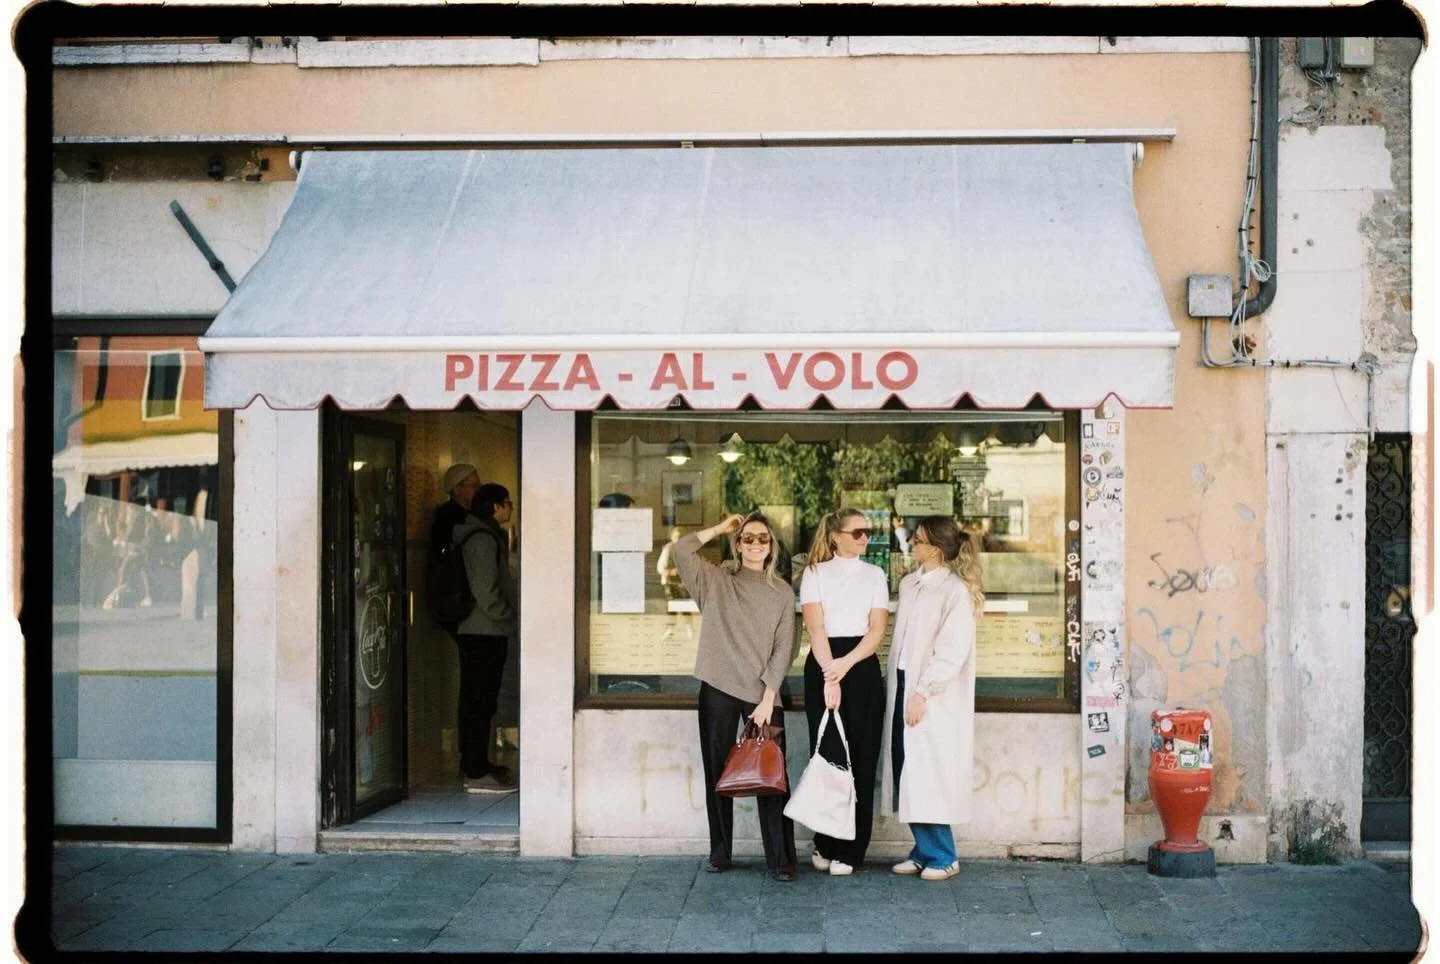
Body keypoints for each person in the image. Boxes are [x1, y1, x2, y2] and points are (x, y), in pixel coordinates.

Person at [672, 511, 800, 881]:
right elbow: (681, 550)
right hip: (718, 686)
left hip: (763, 694)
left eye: (763, 539)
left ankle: (780, 859)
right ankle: (721, 852)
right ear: (737, 543)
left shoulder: (780, 592)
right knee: (717, 773)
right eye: (748, 538)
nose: (756, 544)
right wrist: (718, 528)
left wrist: (767, 698)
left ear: (772, 546)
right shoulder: (715, 581)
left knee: (773, 777)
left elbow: (784, 648)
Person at [882, 515, 983, 882]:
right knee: (908, 766)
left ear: (936, 549)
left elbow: (951, 650)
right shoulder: (911, 584)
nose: (911, 545)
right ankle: (923, 849)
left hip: (929, 692)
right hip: (903, 682)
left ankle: (944, 853)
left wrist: (924, 692)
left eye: (918, 540)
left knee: (928, 770)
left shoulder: (954, 590)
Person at [798, 508, 890, 876]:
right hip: (824, 664)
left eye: (868, 531)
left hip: (860, 666)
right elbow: (815, 629)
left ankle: (852, 849)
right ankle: (824, 841)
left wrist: (844, 666)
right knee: (827, 756)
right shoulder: (814, 573)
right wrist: (829, 675)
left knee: (862, 758)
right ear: (835, 535)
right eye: (857, 532)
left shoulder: (875, 574)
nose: (865, 538)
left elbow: (876, 631)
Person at [439, 468, 519, 794]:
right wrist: (508, 617)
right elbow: (486, 592)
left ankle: (479, 764)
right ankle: (474, 771)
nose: (511, 507)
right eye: (507, 503)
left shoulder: (483, 535)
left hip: (482, 630)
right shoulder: (484, 540)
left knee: (480, 700)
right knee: (479, 700)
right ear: (495, 507)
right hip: (484, 631)